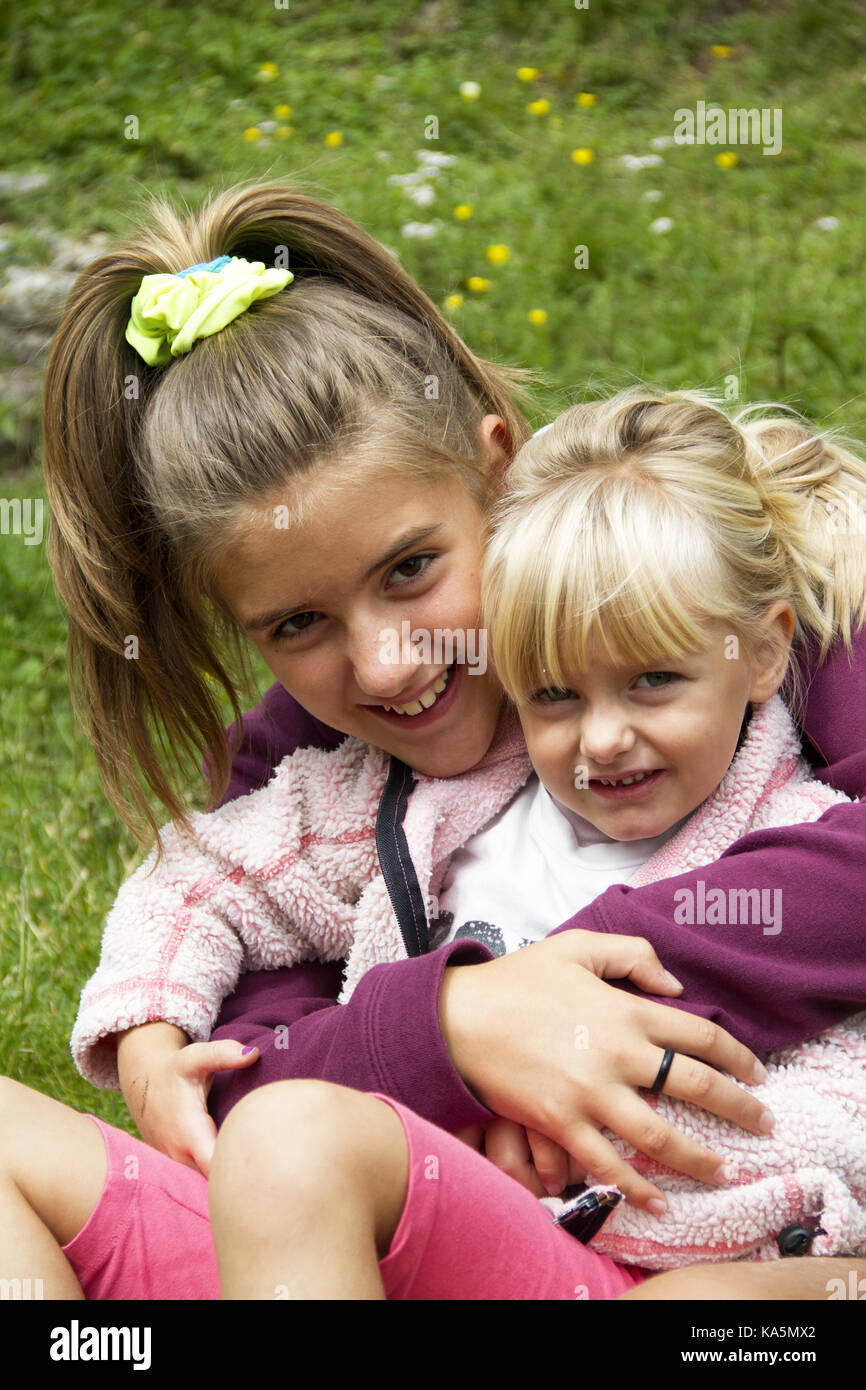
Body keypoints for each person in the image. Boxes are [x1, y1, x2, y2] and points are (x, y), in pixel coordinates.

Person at [17, 178, 863, 1298]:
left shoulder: (718, 600)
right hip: (398, 1230)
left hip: (716, 1241)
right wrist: (453, 1028)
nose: (384, 665)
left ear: (495, 466)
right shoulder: (315, 766)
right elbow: (249, 1085)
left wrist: (564, 1001)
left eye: (410, 569)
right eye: (297, 625)